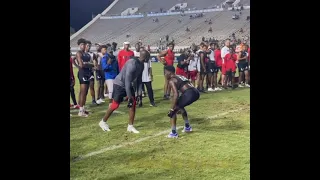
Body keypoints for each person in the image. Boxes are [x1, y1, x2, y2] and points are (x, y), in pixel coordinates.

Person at [99, 50, 150, 133]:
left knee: (133, 104)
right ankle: (103, 122)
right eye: (148, 57)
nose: (149, 58)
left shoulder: (142, 65)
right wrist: (129, 96)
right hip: (120, 84)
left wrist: (139, 94)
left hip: (128, 84)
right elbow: (127, 80)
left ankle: (130, 126)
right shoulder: (132, 63)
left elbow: (139, 80)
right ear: (145, 57)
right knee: (115, 105)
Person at [164, 66, 200, 138]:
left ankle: (173, 133)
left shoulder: (172, 80)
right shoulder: (180, 76)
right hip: (196, 92)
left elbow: (176, 94)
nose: (164, 74)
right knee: (180, 106)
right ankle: (187, 127)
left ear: (169, 72)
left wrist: (172, 108)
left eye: (165, 72)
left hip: (189, 93)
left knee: (173, 111)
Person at [75, 38, 94, 117]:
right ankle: (80, 111)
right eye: (81, 45)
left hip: (88, 73)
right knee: (83, 92)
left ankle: (83, 109)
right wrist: (88, 64)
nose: (83, 46)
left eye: (84, 44)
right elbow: (82, 65)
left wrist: (87, 64)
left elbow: (92, 64)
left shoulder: (86, 54)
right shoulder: (79, 53)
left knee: (85, 92)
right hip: (82, 73)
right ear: (79, 45)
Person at [85, 41, 101, 105]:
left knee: (91, 86)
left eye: (89, 46)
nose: (88, 47)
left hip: (90, 72)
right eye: (87, 46)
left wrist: (95, 66)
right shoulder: (81, 53)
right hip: (83, 73)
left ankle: (93, 100)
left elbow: (95, 63)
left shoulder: (92, 54)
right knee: (85, 88)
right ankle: (83, 100)